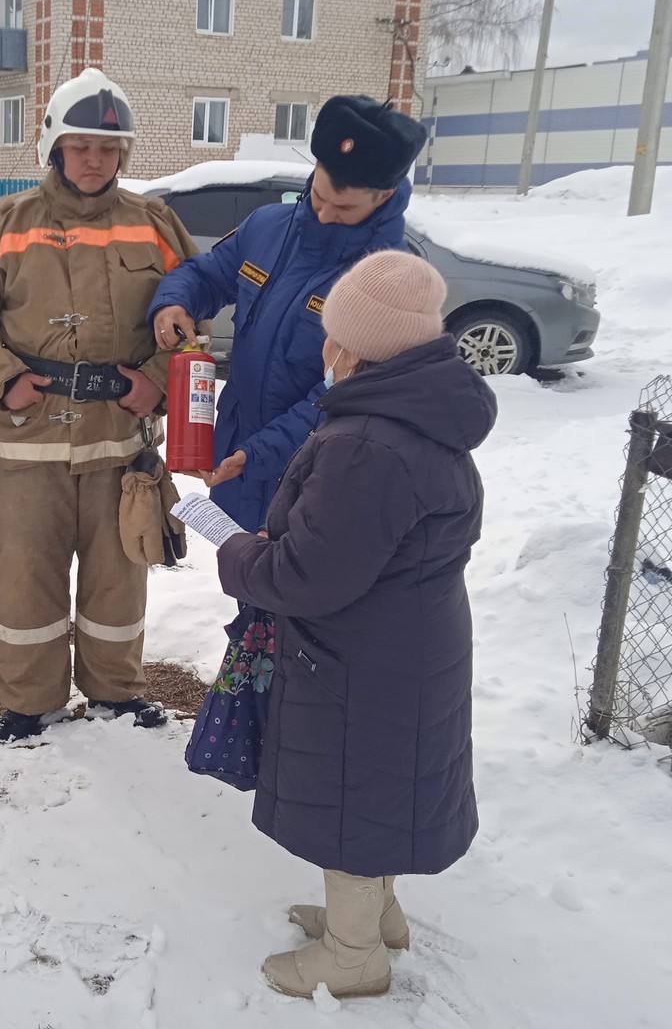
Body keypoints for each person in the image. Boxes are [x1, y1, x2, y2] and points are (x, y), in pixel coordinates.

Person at [215, 250, 496, 1000]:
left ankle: (353, 955)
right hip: (407, 643)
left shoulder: (369, 445)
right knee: (382, 786)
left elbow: (307, 576)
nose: (324, 351)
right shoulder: (420, 416)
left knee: (350, 796)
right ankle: (379, 914)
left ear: (356, 346)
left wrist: (237, 550)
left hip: (359, 659)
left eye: (332, 336)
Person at [0, 67, 198, 745]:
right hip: (32, 444)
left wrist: (157, 378)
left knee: (120, 579)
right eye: (81, 145)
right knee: (26, 581)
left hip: (121, 441)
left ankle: (116, 691)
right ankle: (30, 703)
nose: (94, 159)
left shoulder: (155, 225)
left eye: (108, 149)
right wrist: (1, 378)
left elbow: (191, 317)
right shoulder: (5, 224)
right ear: (55, 145)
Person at [150, 94, 429, 533]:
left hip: (315, 468)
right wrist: (174, 302)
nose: (323, 214)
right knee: (245, 579)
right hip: (239, 455)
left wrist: (258, 453)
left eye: (344, 209)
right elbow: (208, 274)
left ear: (385, 196)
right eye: (318, 196)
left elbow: (346, 395)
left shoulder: (389, 277)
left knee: (298, 590)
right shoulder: (268, 227)